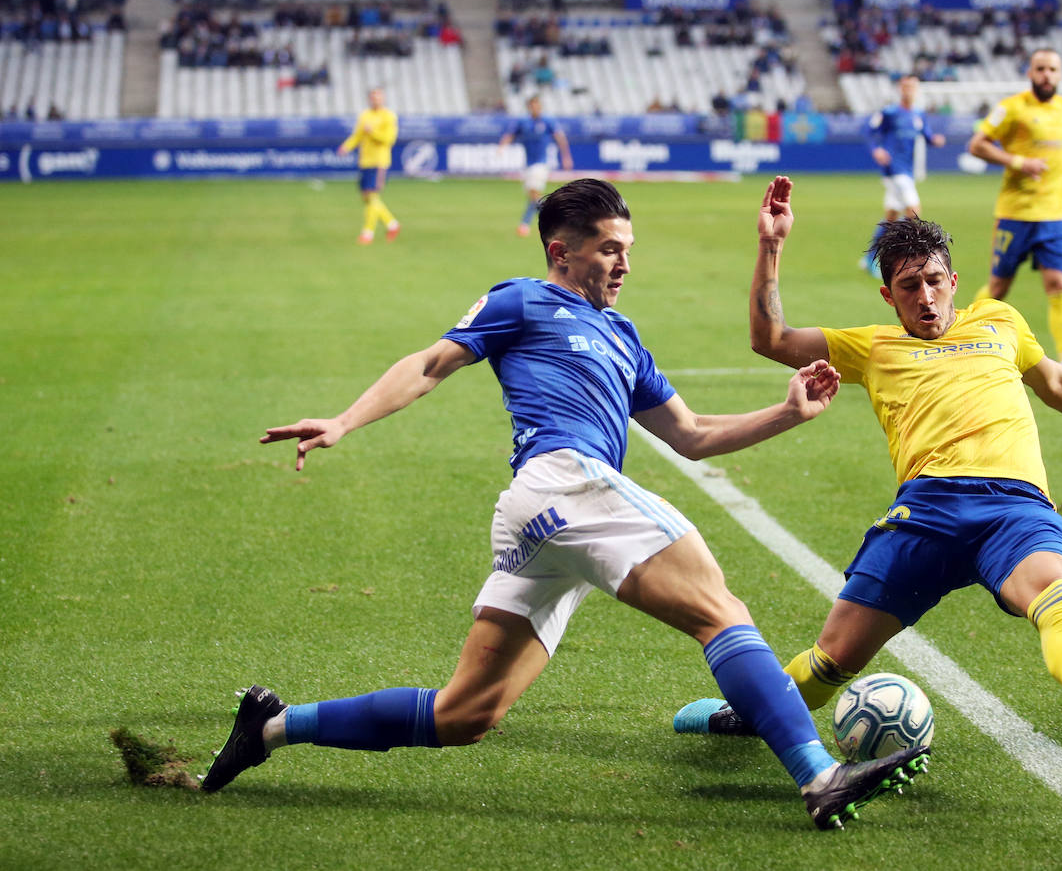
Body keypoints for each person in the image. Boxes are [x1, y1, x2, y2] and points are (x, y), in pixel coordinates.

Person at [202, 179, 929, 830]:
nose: (623, 264)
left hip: (547, 520)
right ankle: (819, 778)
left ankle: (270, 727)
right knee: (720, 609)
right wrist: (342, 420)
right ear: (562, 252)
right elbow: (430, 364)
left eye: (628, 249)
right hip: (561, 481)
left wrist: (787, 412)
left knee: (465, 715)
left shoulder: (624, 335)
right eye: (609, 250)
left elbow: (693, 435)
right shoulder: (523, 299)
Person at [675, 176, 1062, 755]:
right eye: (907, 287)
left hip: (1014, 504)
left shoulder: (1000, 320)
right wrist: (772, 246)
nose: (924, 298)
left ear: (952, 281)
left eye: (931, 282)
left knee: (1054, 590)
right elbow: (769, 337)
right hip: (925, 510)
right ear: (888, 297)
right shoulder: (871, 346)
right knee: (833, 658)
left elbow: (1053, 382)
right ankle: (747, 715)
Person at [966, 48, 1062, 380]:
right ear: (1030, 73)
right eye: (1040, 69)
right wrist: (1020, 162)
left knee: (1059, 283)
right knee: (999, 287)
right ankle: (963, 337)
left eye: (1052, 69)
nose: (1046, 74)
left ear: (1060, 74)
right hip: (1016, 212)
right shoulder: (1011, 108)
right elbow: (977, 145)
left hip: (1057, 214)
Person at [861, 74, 946, 279]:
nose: (909, 90)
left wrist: (934, 140)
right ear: (900, 89)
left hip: (907, 170)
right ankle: (904, 258)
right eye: (906, 87)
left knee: (891, 216)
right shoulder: (890, 112)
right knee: (914, 210)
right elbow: (868, 131)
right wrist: (876, 150)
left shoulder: (918, 115)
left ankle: (870, 258)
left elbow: (925, 135)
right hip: (894, 169)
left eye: (912, 87)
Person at [498, 94, 573, 238]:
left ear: (540, 106)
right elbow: (510, 135)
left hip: (541, 163)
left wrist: (566, 157)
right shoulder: (523, 121)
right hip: (528, 164)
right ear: (528, 107)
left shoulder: (548, 121)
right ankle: (555, 220)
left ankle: (530, 224)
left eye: (537, 105)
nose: (535, 108)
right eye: (532, 105)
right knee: (533, 197)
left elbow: (560, 138)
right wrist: (502, 147)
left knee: (534, 194)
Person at [336, 86, 400, 245]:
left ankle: (368, 233)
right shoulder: (365, 115)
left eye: (378, 97)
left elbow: (389, 139)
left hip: (379, 161)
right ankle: (392, 224)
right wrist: (346, 146)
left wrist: (373, 132)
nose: (376, 100)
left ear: (383, 99)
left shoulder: (388, 116)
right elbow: (358, 135)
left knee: (372, 196)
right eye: (373, 97)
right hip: (365, 160)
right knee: (366, 197)